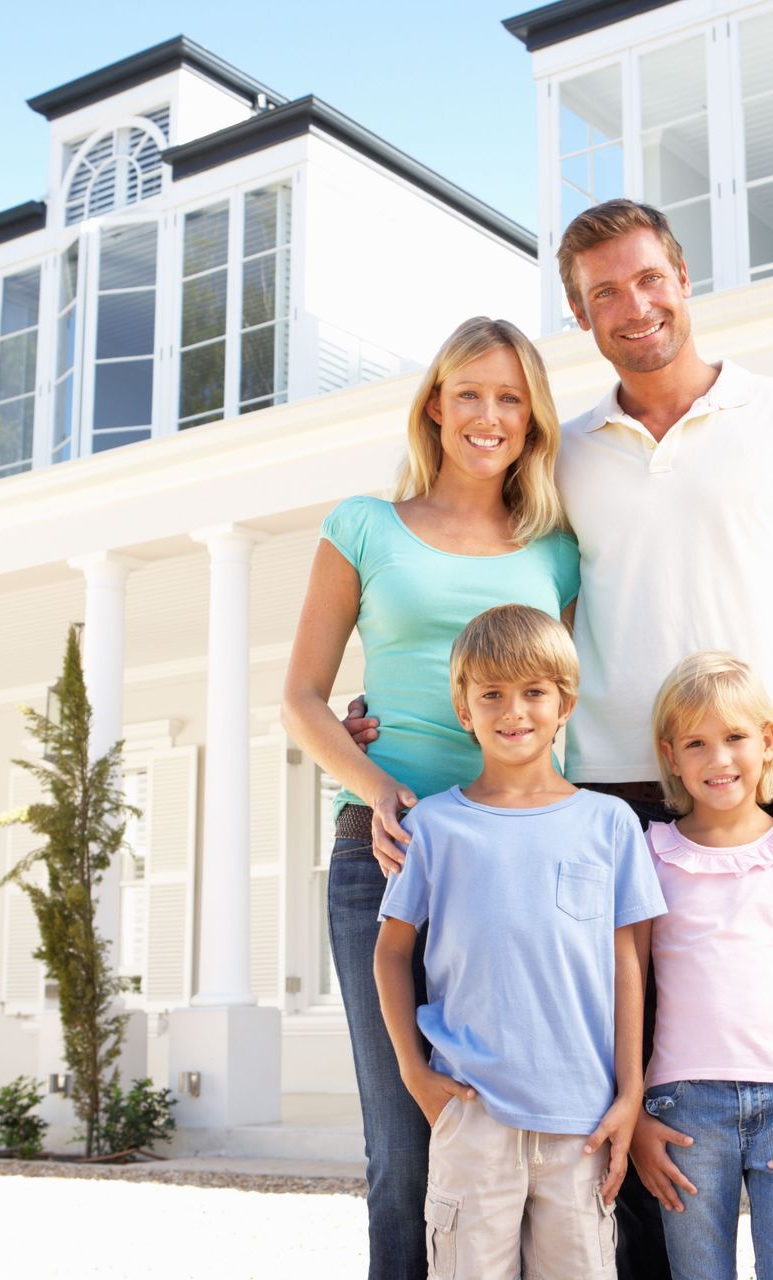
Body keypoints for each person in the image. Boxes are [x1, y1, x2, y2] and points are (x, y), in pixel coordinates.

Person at [349, 199, 773, 1280]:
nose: (632, 305)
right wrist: (389, 715)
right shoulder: (568, 456)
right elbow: (476, 567)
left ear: (683, 277)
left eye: (647, 278)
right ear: (578, 312)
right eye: (603, 291)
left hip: (763, 785)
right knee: (639, 1098)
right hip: (612, 801)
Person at [282, 317, 581, 1280]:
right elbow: (300, 697)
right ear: (435, 407)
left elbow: (566, 698)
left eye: (509, 397)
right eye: (469, 394)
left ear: (531, 419)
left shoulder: (559, 551)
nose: (488, 415)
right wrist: (378, 788)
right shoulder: (364, 525)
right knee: (404, 1147)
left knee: (524, 1132)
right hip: (390, 856)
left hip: (516, 856)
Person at [373, 605, 666, 1278]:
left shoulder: (611, 824)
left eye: (534, 692)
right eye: (493, 694)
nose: (515, 711)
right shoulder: (436, 827)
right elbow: (391, 952)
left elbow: (629, 966)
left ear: (565, 702)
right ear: (463, 706)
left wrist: (630, 1093)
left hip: (583, 1122)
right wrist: (414, 1072)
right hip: (472, 1117)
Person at [638, 652, 773, 1279]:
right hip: (682, 1111)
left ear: (768, 744)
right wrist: (638, 1112)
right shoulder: (649, 855)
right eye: (697, 743)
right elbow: (627, 991)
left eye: (735, 738)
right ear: (672, 757)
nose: (719, 758)